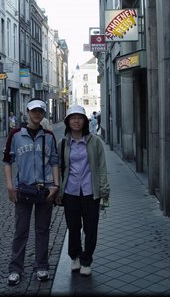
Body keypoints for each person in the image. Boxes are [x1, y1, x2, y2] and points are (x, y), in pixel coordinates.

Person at [3, 98, 59, 286]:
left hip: (45, 191)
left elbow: (54, 162)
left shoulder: (49, 136)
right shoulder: (16, 135)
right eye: (34, 111)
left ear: (44, 114)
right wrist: (10, 186)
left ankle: (41, 266)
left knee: (42, 230)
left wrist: (56, 186)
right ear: (27, 112)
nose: (37, 114)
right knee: (21, 231)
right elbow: (7, 161)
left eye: (41, 111)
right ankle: (15, 269)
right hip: (23, 190)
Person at [56, 105, 110, 276]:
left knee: (91, 227)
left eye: (79, 118)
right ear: (68, 122)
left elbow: (101, 166)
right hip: (70, 191)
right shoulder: (63, 142)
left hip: (90, 191)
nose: (76, 121)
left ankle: (87, 260)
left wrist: (104, 189)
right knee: (73, 227)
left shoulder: (94, 142)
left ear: (85, 121)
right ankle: (75, 257)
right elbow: (57, 167)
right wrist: (58, 190)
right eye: (73, 118)